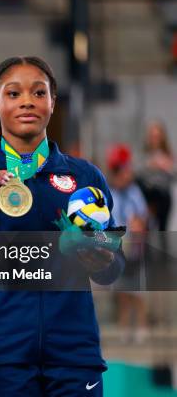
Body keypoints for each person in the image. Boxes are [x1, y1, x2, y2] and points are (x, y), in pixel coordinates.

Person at [0, 56, 124, 396]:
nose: (27, 101)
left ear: (53, 103)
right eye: (13, 94)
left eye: (39, 93)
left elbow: (113, 267)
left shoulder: (84, 177)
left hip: (75, 353)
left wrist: (96, 253)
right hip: (7, 355)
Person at [106, 144, 149, 344]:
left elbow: (142, 216)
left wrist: (138, 224)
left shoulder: (134, 192)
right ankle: (124, 327)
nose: (121, 176)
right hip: (117, 248)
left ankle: (141, 326)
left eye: (122, 172)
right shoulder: (110, 194)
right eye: (117, 173)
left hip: (134, 249)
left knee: (137, 290)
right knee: (121, 291)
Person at [138, 119, 174, 232]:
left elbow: (173, 174)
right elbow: (137, 173)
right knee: (145, 227)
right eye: (152, 136)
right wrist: (150, 165)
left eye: (157, 136)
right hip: (147, 195)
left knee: (162, 229)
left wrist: (167, 166)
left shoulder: (168, 155)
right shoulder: (144, 155)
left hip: (163, 196)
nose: (155, 139)